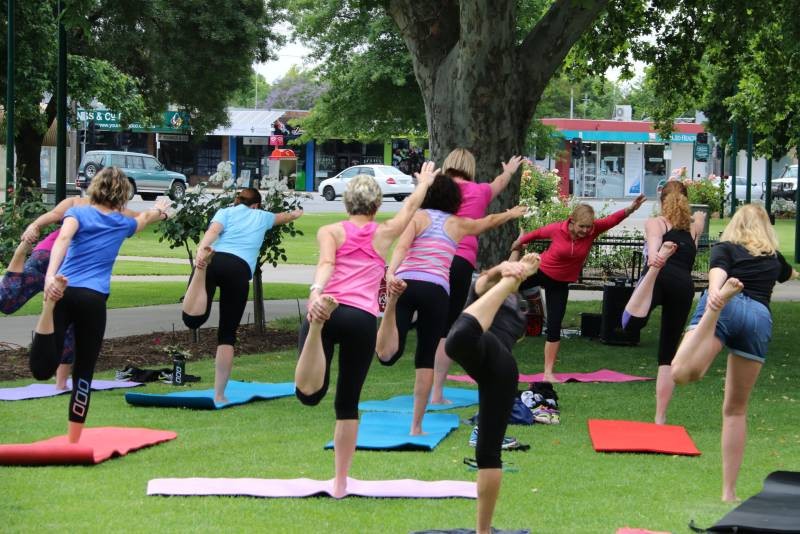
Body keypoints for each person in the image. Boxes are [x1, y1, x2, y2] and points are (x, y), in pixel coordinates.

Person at [294, 162, 436, 498]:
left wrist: (316, 292)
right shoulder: (384, 232)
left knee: (308, 394)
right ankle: (341, 482)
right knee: (347, 404)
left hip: (327, 305)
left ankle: (316, 326)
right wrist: (424, 183)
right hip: (360, 318)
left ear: (346, 203)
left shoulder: (330, 231)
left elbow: (327, 263)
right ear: (376, 205)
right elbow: (410, 207)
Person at [375, 173, 527, 435]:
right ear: (454, 199)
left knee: (389, 354)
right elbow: (488, 221)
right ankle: (416, 427)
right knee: (425, 357)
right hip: (435, 290)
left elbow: (401, 247)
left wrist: (391, 273)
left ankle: (389, 315)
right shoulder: (458, 224)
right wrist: (510, 214)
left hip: (407, 283)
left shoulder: (417, 217)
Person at [29, 167, 170, 443]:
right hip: (94, 299)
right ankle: (74, 439)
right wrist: (160, 211)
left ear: (95, 187)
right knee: (84, 370)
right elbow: (144, 219)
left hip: (64, 291)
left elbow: (63, 239)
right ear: (122, 194)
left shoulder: (77, 213)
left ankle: (48, 307)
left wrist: (49, 277)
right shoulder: (122, 223)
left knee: (42, 369)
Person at [670, 204, 798, 502]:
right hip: (758, 318)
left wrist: (716, 293)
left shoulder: (724, 248)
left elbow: (717, 272)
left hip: (727, 303)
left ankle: (713, 310)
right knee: (736, 410)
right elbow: (790, 273)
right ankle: (729, 492)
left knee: (681, 373)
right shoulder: (773, 258)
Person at [445, 252, 541, 534]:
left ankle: (483, 531)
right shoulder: (480, 289)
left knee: (487, 452)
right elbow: (484, 281)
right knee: (460, 337)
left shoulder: (518, 309)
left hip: (501, 368)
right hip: (480, 352)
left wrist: (513, 277)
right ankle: (483, 530)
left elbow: (497, 298)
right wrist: (505, 268)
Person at [2, 197, 141, 389]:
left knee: (8, 303)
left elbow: (53, 216)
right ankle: (61, 383)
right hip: (64, 264)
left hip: (52, 258)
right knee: (70, 319)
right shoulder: (116, 211)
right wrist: (162, 212)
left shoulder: (77, 204)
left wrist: (33, 226)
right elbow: (143, 218)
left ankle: (61, 382)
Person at [181, 187, 303, 404]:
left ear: (237, 201)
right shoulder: (262, 216)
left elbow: (213, 231)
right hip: (239, 269)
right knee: (227, 335)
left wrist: (202, 248)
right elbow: (284, 217)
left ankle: (201, 268)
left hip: (215, 260)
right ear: (256, 205)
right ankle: (219, 395)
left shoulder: (225, 212)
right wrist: (296, 213)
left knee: (192, 320)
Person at [512, 195, 647, 382]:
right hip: (541, 271)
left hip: (560, 284)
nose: (585, 230)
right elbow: (537, 233)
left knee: (554, 326)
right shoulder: (557, 229)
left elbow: (613, 220)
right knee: (505, 287)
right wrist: (519, 243)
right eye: (582, 226)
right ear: (572, 221)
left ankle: (548, 373)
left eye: (588, 227)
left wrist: (631, 208)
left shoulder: (594, 229)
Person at [430, 148, 524, 404]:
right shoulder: (479, 191)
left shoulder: (437, 188)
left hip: (435, 259)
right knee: (447, 328)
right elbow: (499, 184)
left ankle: (426, 389)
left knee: (432, 325)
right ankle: (436, 393)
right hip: (460, 261)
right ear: (470, 168)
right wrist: (509, 171)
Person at [621, 181, 706, 424]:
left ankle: (652, 277)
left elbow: (653, 253)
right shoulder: (694, 228)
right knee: (667, 353)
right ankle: (660, 417)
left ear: (661, 201)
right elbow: (690, 251)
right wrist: (698, 220)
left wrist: (658, 257)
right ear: (686, 200)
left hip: (659, 278)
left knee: (629, 324)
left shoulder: (656, 223)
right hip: (683, 286)